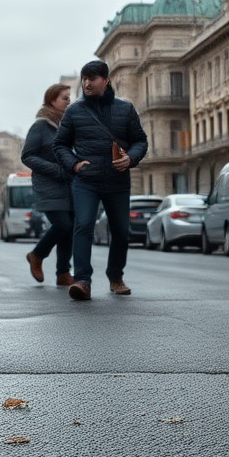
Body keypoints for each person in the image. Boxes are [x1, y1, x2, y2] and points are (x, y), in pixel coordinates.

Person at [52, 60, 148, 301]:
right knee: (83, 225)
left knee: (120, 231)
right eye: (84, 78)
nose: (86, 83)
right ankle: (82, 280)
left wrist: (131, 158)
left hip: (117, 181)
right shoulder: (74, 111)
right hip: (86, 181)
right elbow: (60, 144)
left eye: (92, 79)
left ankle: (116, 278)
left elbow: (140, 141)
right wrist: (74, 164)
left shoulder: (125, 109)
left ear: (105, 80)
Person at [22, 83, 75, 287]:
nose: (69, 100)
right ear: (52, 100)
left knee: (68, 229)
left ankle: (63, 272)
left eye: (69, 97)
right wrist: (56, 170)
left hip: (69, 187)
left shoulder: (67, 125)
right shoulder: (41, 126)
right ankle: (36, 255)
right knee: (63, 224)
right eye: (64, 97)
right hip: (49, 186)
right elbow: (27, 156)